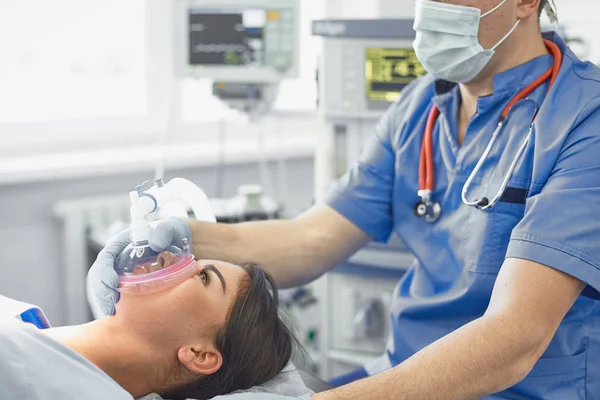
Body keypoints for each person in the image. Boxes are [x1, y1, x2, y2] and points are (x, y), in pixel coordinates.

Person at [89, 0, 600, 398]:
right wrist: (179, 239)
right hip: (403, 372)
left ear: (526, 3)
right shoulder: (422, 105)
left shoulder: (584, 119)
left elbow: (515, 339)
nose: (429, 11)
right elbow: (312, 239)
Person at [1, 261, 295, 400]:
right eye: (190, 258)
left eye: (203, 277)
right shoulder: (25, 326)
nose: (170, 259)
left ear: (200, 354)